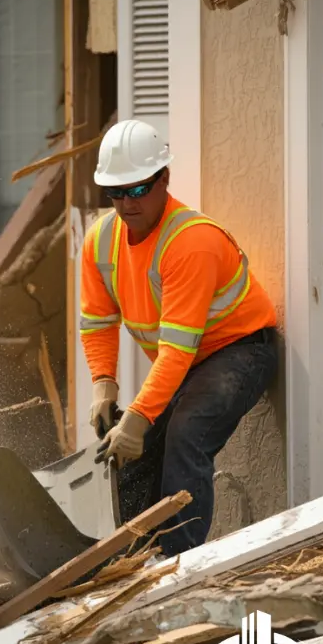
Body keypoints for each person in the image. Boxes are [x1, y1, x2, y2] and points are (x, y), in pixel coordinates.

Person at [81, 119, 278, 556]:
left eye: (138, 189)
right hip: (189, 360)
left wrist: (136, 418)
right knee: (134, 454)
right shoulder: (98, 243)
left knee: (186, 435)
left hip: (241, 350)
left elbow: (176, 350)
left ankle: (181, 561)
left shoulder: (192, 242)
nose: (127, 204)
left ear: (164, 179)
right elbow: (97, 323)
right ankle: (125, 557)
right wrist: (103, 387)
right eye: (116, 193)